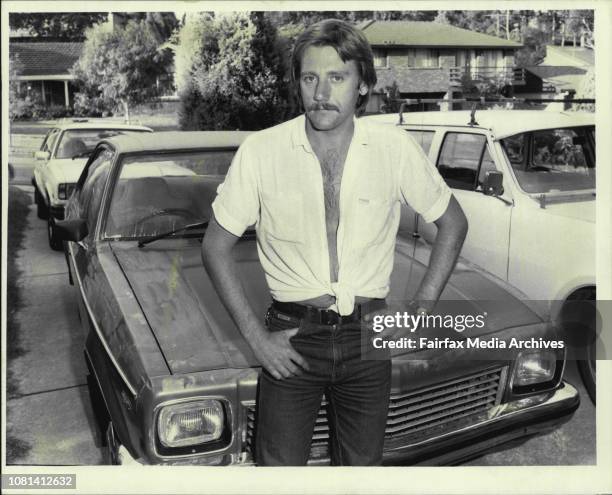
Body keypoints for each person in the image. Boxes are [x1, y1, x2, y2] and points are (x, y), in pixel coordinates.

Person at [201, 19, 468, 466]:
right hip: (291, 336)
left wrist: (422, 307)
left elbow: (453, 224)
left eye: (337, 77)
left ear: (362, 84)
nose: (321, 91)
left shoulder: (393, 148)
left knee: (361, 473)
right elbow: (214, 246)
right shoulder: (262, 151)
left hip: (368, 338)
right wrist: (256, 339)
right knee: (280, 473)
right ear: (298, 84)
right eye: (310, 78)